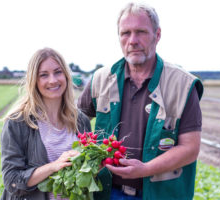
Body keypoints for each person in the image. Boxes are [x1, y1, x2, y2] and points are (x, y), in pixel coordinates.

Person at [78, 2, 203, 200]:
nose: (133, 40)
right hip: (108, 192)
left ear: (157, 34)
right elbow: (70, 122)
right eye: (125, 33)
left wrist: (145, 169)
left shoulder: (182, 85)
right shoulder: (101, 79)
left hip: (160, 194)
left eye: (141, 32)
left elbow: (190, 148)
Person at [1, 47, 91, 200]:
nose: (53, 80)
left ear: (66, 76)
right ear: (34, 81)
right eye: (44, 75)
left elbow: (84, 176)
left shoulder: (80, 120)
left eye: (58, 72)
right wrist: (54, 166)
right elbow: (12, 180)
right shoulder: (18, 122)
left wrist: (92, 166)